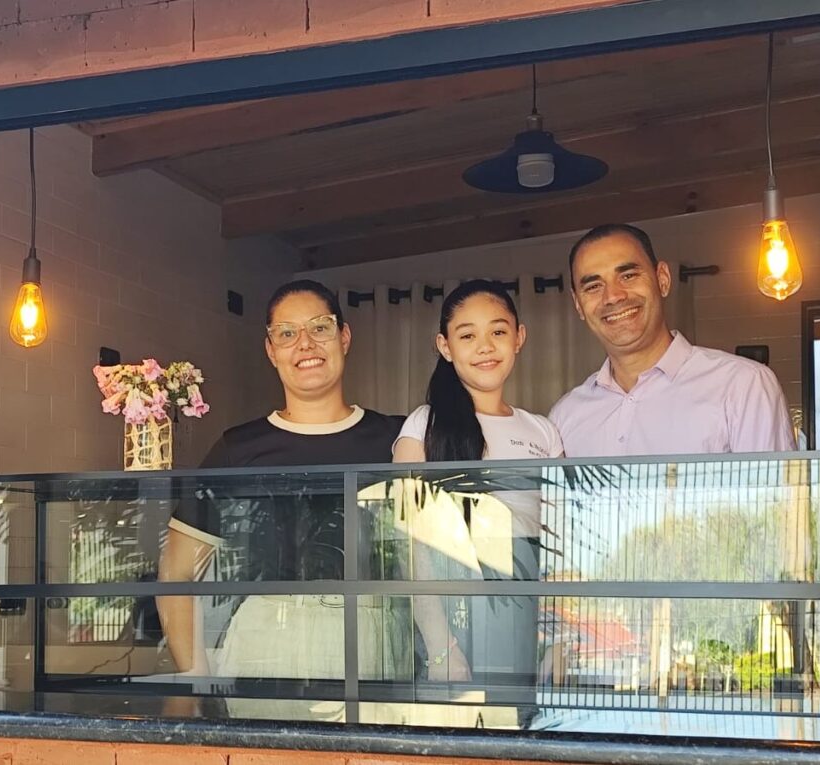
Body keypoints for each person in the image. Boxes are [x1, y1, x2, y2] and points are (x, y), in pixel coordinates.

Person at [156, 279, 403, 700]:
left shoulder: (397, 439)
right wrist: (195, 683)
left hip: (375, 641)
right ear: (271, 351)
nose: (305, 344)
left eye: (320, 327)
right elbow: (176, 574)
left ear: (344, 337)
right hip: (266, 643)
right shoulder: (238, 448)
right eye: (287, 334)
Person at [392, 279, 563, 690]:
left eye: (498, 331)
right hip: (453, 613)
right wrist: (441, 646)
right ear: (445, 346)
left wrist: (557, 639)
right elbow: (408, 543)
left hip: (529, 606)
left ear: (519, 337)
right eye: (467, 336)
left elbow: (562, 544)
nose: (485, 347)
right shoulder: (423, 425)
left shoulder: (543, 431)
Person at [549, 223, 796, 457]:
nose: (613, 296)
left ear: (663, 280)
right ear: (578, 305)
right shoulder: (564, 417)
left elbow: (774, 489)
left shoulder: (742, 385)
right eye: (593, 287)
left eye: (628, 276)